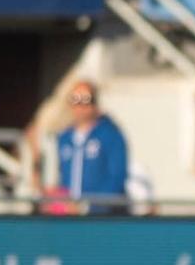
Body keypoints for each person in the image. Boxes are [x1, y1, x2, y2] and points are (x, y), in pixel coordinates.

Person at [50, 78, 133, 206]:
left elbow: (117, 178)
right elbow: (62, 178)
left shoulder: (110, 135)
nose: (81, 106)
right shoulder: (65, 138)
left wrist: (90, 205)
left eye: (86, 100)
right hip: (69, 215)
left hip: (99, 216)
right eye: (76, 99)